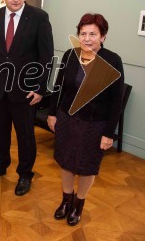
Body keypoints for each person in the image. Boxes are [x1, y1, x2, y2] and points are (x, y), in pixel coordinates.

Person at [47, 13, 123, 226]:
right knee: (65, 161)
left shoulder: (113, 60)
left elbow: (116, 101)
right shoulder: (70, 55)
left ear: (103, 37)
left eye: (93, 34)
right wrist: (52, 113)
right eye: (83, 33)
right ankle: (66, 200)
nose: (87, 38)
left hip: (95, 125)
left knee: (88, 166)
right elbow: (58, 87)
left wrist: (109, 133)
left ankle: (78, 205)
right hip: (67, 119)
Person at [0, 0, 54, 196]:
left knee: (25, 136)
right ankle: (0, 166)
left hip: (26, 91)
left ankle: (25, 174)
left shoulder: (39, 18)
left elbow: (46, 56)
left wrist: (40, 88)